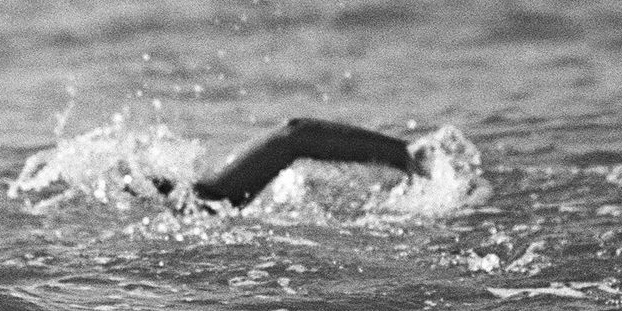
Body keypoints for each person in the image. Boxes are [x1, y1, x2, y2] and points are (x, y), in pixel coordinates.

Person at [156, 117, 430, 209]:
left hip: (197, 204)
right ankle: (414, 158)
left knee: (292, 135)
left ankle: (412, 157)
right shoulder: (210, 199)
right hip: (199, 205)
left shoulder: (208, 198)